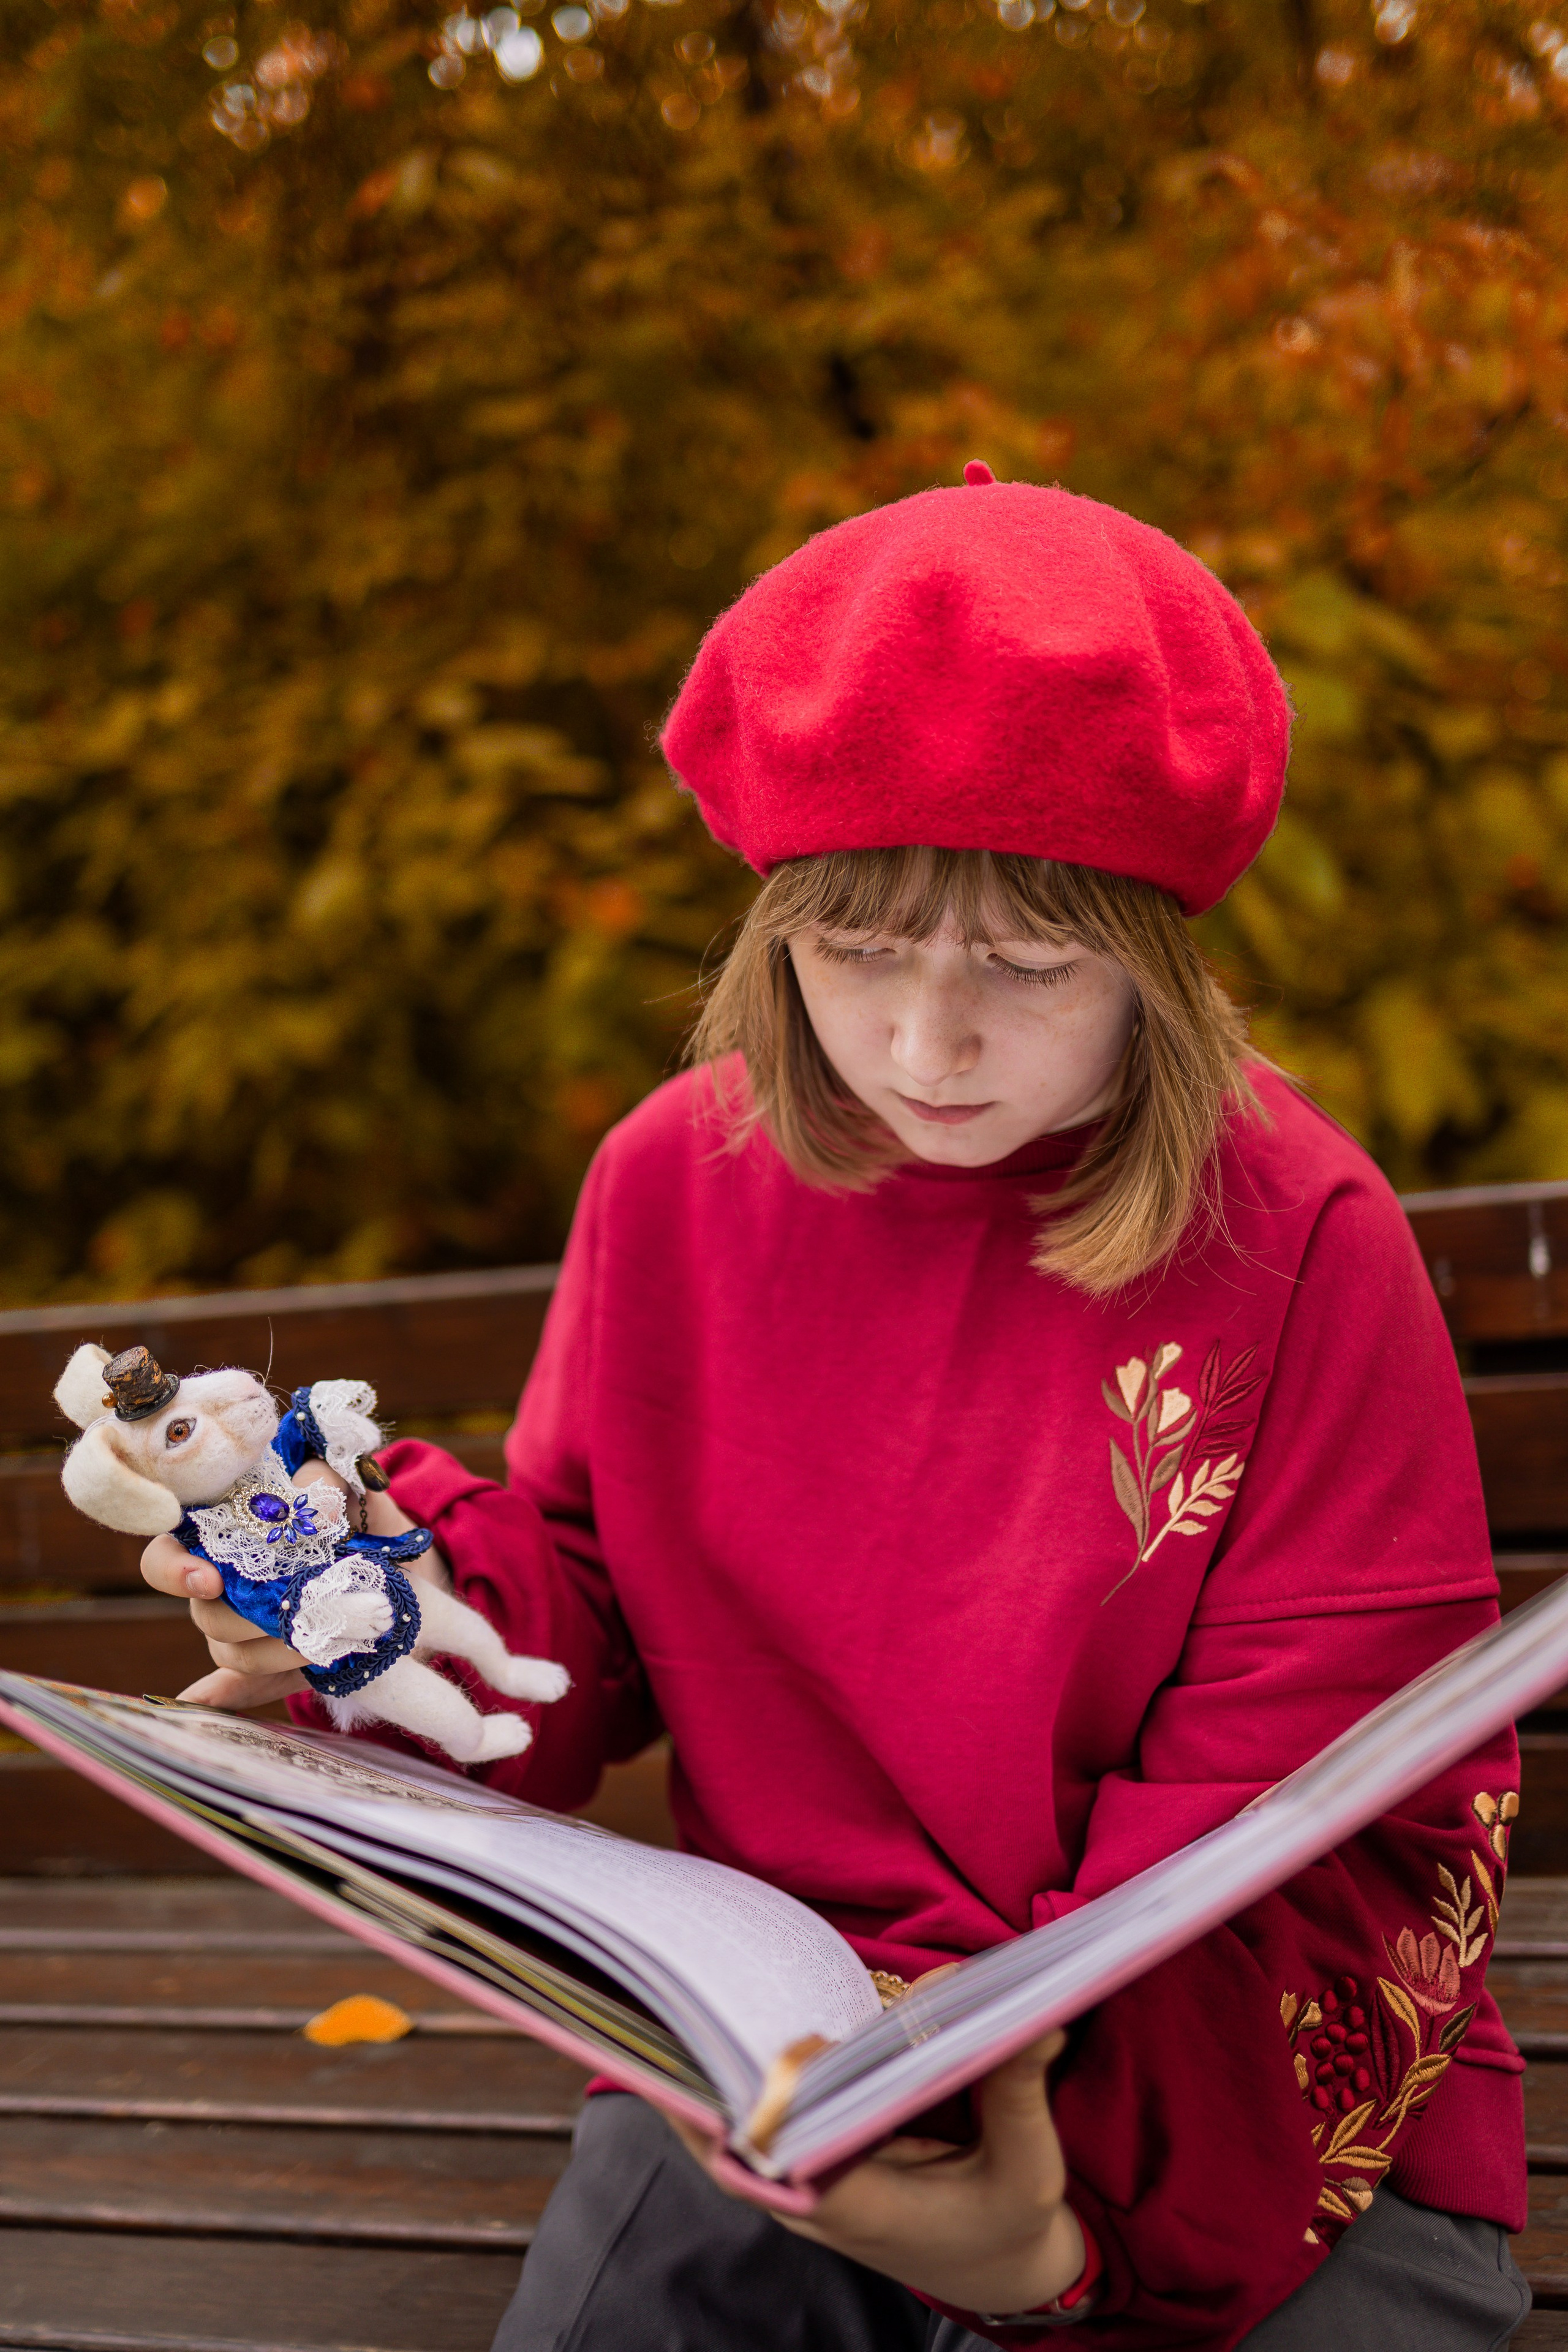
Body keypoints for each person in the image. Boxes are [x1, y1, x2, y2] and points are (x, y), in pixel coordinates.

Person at [141, 470, 1531, 2351]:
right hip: (782, 2049)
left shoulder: (1300, 1237)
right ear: (773, 925)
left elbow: (1300, 1815)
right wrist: (380, 1621)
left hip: (1231, 2098)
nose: (925, 1046)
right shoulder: (674, 1180)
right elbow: (579, 1628)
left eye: (1029, 965)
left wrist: (1046, 2246)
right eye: (859, 950)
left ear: (1156, 955)